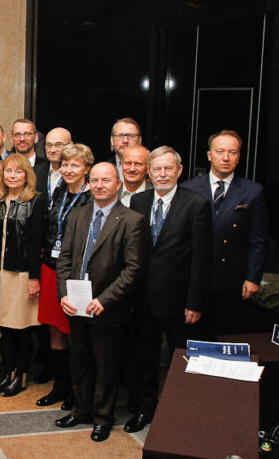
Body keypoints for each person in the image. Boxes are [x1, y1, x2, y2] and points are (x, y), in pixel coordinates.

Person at [54, 163, 146, 442]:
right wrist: (63, 294)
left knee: (106, 365)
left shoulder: (132, 220)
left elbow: (133, 269)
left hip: (108, 307)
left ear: (118, 184)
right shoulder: (78, 215)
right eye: (94, 180)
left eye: (106, 180)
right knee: (79, 360)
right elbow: (65, 258)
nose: (99, 185)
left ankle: (103, 418)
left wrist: (105, 299)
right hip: (76, 303)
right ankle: (81, 409)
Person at [125, 146, 212, 434]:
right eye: (157, 169)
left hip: (179, 301)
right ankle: (144, 409)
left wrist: (195, 303)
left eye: (168, 168)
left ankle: (182, 414)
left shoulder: (196, 204)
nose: (162, 174)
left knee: (181, 359)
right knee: (144, 359)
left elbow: (201, 259)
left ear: (179, 171)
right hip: (143, 299)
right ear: (149, 173)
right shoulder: (138, 201)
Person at [181, 130, 271, 335]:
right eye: (220, 151)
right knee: (193, 340)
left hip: (231, 280)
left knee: (226, 336)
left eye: (232, 152)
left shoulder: (253, 191)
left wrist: (253, 277)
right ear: (209, 155)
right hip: (194, 279)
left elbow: (258, 240)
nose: (225, 157)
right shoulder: (188, 188)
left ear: (238, 157)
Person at [36, 143, 93, 409]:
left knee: (73, 331)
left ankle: (75, 391)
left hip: (75, 274)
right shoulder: (60, 190)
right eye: (66, 165)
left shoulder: (91, 197)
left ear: (86, 169)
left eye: (75, 165)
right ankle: (59, 386)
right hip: (50, 267)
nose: (69, 170)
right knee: (54, 328)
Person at [0, 154, 46, 397]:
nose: (12, 175)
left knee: (21, 328)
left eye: (18, 171)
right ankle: (7, 374)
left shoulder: (36, 201)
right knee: (5, 327)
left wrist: (34, 278)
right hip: (0, 273)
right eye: (8, 171)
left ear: (27, 175)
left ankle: (21, 377)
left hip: (22, 275)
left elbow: (36, 243)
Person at [33, 127, 72, 207]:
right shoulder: (34, 172)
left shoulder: (78, 174)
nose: (53, 150)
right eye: (49, 145)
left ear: (71, 145)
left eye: (58, 145)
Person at [108, 118, 142, 182]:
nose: (125, 141)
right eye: (120, 136)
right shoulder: (102, 169)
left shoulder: (150, 168)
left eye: (131, 136)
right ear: (112, 140)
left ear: (139, 140)